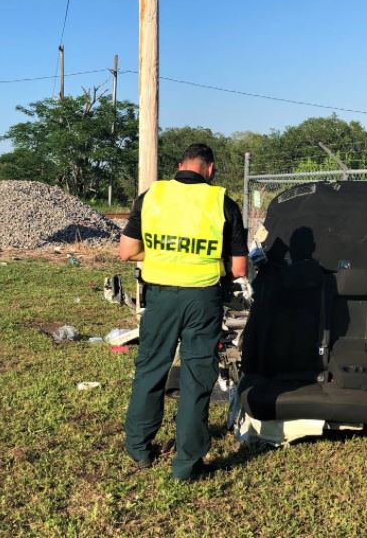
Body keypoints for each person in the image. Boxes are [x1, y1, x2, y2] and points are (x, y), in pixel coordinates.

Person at [118, 143, 251, 481]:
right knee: (196, 377)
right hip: (203, 300)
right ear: (210, 169)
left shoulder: (151, 196)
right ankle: (187, 464)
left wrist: (165, 255)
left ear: (179, 166)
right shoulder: (222, 202)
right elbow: (238, 269)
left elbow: (127, 251)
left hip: (160, 298)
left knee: (151, 368)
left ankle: (139, 448)